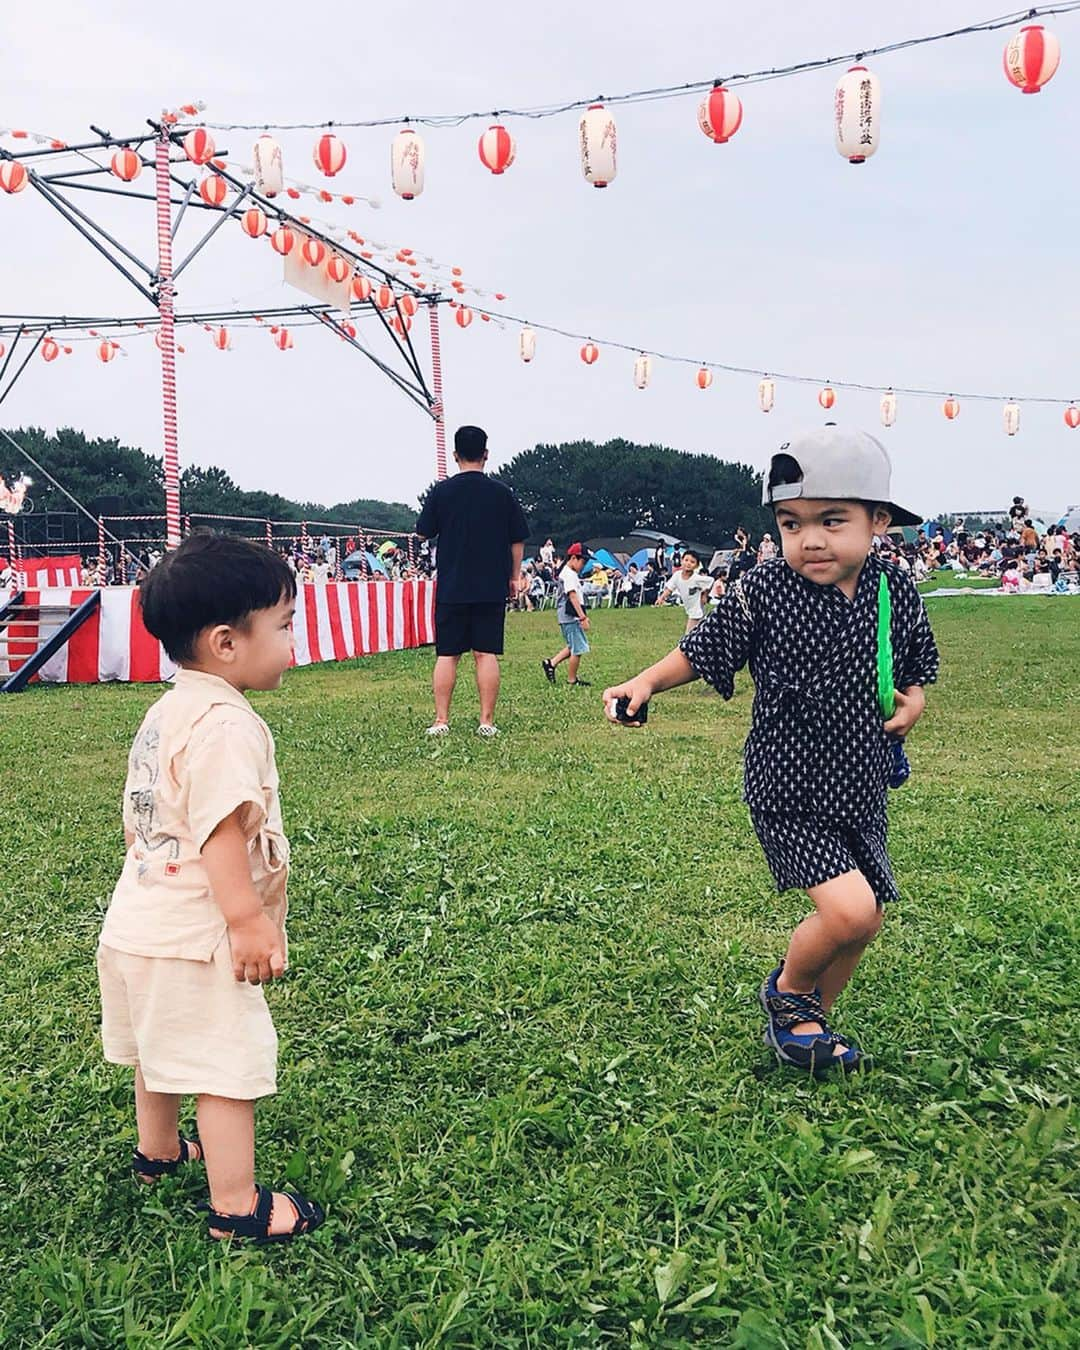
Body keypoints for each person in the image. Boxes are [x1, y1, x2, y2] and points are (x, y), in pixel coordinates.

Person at [604, 427, 939, 1074]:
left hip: (859, 782)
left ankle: (807, 1027)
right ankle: (786, 995)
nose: (809, 540)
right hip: (789, 788)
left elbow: (916, 664)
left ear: (879, 522)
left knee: (863, 924)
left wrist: (914, 701)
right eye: (791, 523)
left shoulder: (892, 590)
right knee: (850, 910)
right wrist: (644, 681)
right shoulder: (764, 590)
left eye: (832, 521)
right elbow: (700, 652)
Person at [96, 533, 323, 1243]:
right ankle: (237, 1206)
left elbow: (140, 815)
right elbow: (221, 828)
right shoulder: (226, 724)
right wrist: (247, 920)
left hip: (137, 921)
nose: (293, 639)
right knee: (225, 1062)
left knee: (159, 1050)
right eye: (284, 625)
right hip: (198, 933)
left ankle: (158, 1153)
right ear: (227, 642)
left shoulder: (166, 711)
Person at [415, 425, 529, 738]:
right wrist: (514, 576)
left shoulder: (442, 492)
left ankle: (441, 720)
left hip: (452, 584)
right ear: (486, 454)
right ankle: (487, 722)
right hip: (490, 585)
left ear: (455, 455)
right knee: (486, 652)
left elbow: (423, 531)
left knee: (448, 654)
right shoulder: (501, 493)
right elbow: (517, 539)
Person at [542, 542, 592, 687]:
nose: (584, 565)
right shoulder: (568, 574)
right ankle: (572, 679)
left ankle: (551, 663)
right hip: (570, 616)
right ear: (574, 558)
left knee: (573, 645)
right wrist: (582, 617)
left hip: (569, 616)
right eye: (583, 561)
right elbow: (572, 596)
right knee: (578, 649)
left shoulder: (570, 573)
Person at [656, 548, 712, 633]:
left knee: (688, 636)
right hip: (689, 609)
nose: (688, 563)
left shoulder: (696, 578)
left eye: (692, 562)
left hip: (697, 611)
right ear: (681, 561)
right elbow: (670, 588)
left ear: (696, 566)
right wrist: (661, 597)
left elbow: (711, 581)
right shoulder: (677, 575)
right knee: (698, 634)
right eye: (686, 560)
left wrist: (704, 595)